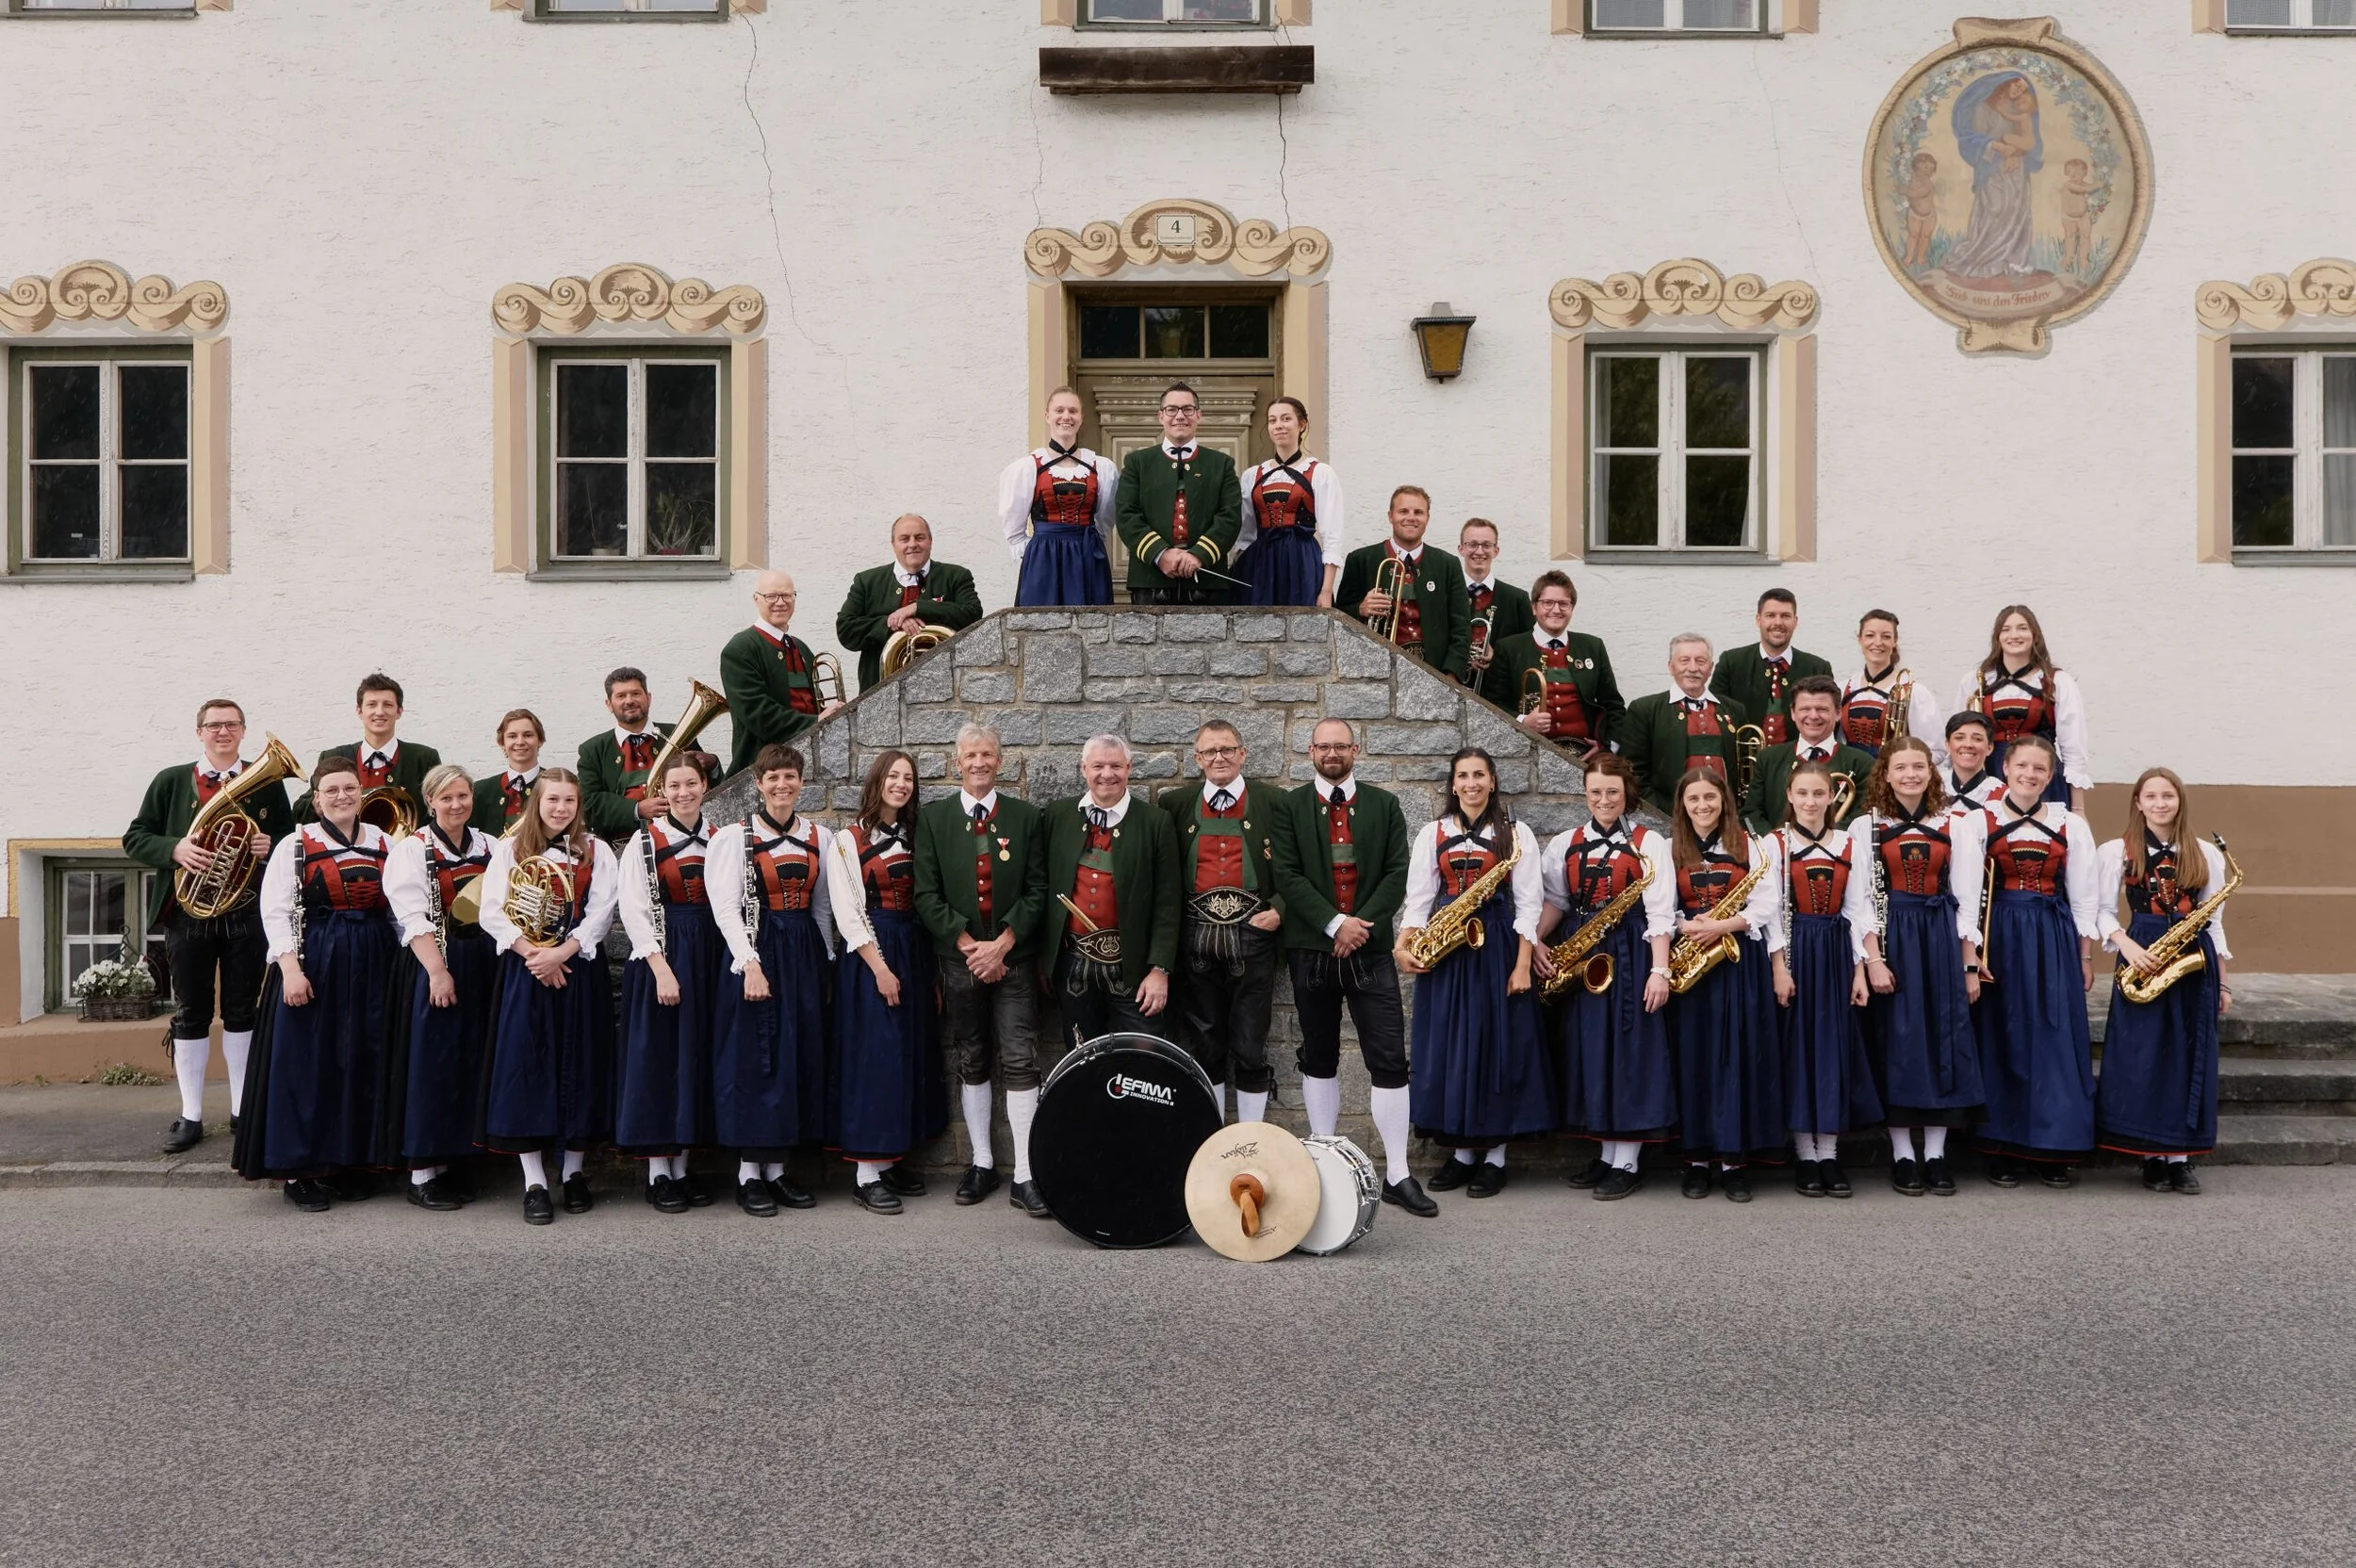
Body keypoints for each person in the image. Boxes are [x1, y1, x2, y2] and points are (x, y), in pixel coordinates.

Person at [1268, 718, 1432, 1216]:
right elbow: (1287, 874)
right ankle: (1324, 1161)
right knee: (1318, 1055)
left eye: (1341, 745)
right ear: (1311, 751)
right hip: (1311, 947)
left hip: (1371, 948)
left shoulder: (1384, 804)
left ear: (1355, 749)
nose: (1332, 753)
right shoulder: (1289, 805)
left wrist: (1359, 926)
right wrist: (1334, 923)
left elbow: (1397, 872)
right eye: (1324, 746)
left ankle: (1399, 1175)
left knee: (1388, 1059)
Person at [123, 697, 296, 1155]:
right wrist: (175, 849)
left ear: (243, 731)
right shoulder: (172, 780)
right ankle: (192, 1114)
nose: (223, 732)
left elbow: (291, 838)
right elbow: (135, 837)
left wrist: (269, 843)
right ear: (199, 731)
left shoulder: (265, 783)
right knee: (191, 1012)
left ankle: (243, 1110)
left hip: (246, 912)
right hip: (187, 914)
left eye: (232, 725)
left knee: (243, 1011)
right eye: (214, 725)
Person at [231, 757, 400, 1212]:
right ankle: (299, 1171)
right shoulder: (296, 844)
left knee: (360, 1061)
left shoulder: (385, 841)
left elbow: (398, 909)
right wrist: (290, 970)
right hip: (315, 961)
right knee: (306, 1064)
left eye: (349, 788)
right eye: (332, 790)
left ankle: (345, 1163)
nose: (342, 797)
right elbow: (276, 910)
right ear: (317, 797)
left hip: (373, 960)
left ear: (362, 792)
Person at [1397, 748, 1548, 1198]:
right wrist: (1402, 945)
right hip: (1447, 949)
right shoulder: (1433, 832)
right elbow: (1419, 900)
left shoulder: (1516, 833)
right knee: (1449, 1048)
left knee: (1496, 1046)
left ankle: (1495, 1158)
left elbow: (1530, 904)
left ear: (1493, 780)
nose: (1471, 783)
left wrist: (1523, 964)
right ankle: (1461, 1153)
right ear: (1453, 783)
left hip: (1497, 947)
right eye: (1463, 776)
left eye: (1479, 775)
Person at [1951, 735, 2101, 1189]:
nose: (2031, 775)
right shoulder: (1979, 822)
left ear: (2051, 777)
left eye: (2040, 769)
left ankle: (2053, 1146)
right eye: (2023, 766)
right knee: (2006, 1036)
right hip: (2002, 936)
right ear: (2007, 768)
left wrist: (2085, 956)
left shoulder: (2070, 824)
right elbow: (1964, 895)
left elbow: (2084, 895)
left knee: (2055, 1036)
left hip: (2052, 936)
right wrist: (1972, 956)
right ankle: (2004, 1147)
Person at [912, 723, 1051, 1214]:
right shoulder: (933, 820)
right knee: (971, 1057)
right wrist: (973, 947)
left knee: (1020, 1060)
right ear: (957, 763)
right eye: (970, 755)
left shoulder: (1025, 817)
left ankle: (1028, 1173)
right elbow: (925, 895)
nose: (979, 763)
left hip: (1014, 958)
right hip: (960, 959)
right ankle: (982, 1162)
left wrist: (1004, 943)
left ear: (1000, 760)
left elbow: (1038, 891)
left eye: (987, 755)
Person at [477, 770, 621, 1226]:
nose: (561, 809)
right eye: (553, 800)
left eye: (570, 801)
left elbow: (602, 913)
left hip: (577, 968)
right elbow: (492, 912)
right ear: (537, 802)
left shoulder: (597, 852)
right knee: (528, 1069)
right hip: (527, 971)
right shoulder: (511, 847)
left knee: (580, 1064)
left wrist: (561, 953)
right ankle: (534, 1182)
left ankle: (575, 1175)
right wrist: (536, 956)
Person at [1534, 753, 1675, 1201]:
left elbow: (1660, 912)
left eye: (1612, 792)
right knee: (1592, 1052)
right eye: (1595, 792)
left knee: (1629, 1052)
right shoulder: (1564, 843)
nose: (1603, 800)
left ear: (1627, 793)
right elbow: (1555, 900)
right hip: (1584, 957)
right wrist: (1534, 942)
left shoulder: (1651, 844)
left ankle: (1628, 1159)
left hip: (1631, 953)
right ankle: (1606, 1152)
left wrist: (1659, 970)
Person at [706, 744, 833, 1217]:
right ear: (758, 783)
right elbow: (724, 908)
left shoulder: (820, 835)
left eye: (790, 776)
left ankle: (777, 1170)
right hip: (757, 953)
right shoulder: (735, 838)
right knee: (755, 1058)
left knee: (792, 1058)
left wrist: (826, 961)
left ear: (802, 781)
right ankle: (747, 1174)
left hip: (802, 953)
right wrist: (750, 962)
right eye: (773, 777)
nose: (782, 785)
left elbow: (821, 908)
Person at [2094, 768, 2232, 1194]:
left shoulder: (2206, 853)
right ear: (2137, 802)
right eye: (2150, 796)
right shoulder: (2116, 850)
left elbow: (2214, 921)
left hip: (2193, 958)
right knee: (2144, 1055)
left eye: (2167, 796)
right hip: (2143, 953)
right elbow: (2098, 910)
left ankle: (2180, 1158)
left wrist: (2223, 983)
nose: (2159, 803)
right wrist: (2125, 945)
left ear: (2180, 800)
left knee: (2190, 1054)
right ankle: (2150, 1156)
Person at [1857, 738, 1982, 1198]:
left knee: (1942, 1039)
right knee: (1898, 1042)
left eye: (1918, 766)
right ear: (1885, 774)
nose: (1910, 774)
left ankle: (1935, 1154)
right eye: (1900, 767)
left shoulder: (1956, 824)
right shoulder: (1866, 825)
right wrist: (1872, 959)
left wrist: (1969, 965)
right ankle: (1903, 1156)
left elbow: (1969, 897)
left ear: (1931, 772)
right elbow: (1861, 900)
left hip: (1941, 937)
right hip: (1893, 940)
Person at [825, 750, 941, 1215]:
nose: (901, 784)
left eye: (908, 777)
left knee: (907, 1056)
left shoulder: (916, 836)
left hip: (912, 947)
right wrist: (880, 968)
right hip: (872, 952)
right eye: (893, 776)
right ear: (877, 782)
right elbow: (848, 913)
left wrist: (928, 973)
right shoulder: (847, 841)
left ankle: (891, 1158)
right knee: (875, 1058)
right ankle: (866, 1173)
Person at [1155, 720, 1286, 1126]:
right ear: (1197, 759)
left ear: (1243, 754)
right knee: (1204, 1043)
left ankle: (1250, 1138)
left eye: (1227, 749)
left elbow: (1297, 864)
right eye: (1210, 752)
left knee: (1250, 1044)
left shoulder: (1273, 801)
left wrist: (1281, 908)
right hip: (1195, 936)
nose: (1219, 758)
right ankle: (1212, 1135)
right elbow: (1163, 873)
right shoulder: (1175, 804)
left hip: (1255, 935)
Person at [1663, 767, 1783, 1201]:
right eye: (1693, 799)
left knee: (1737, 1059)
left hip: (1737, 961)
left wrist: (1724, 925)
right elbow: (1661, 905)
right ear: (1682, 805)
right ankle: (1696, 1161)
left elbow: (1768, 903)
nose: (1702, 806)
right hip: (1691, 958)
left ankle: (1734, 1162)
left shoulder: (1751, 845)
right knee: (1694, 1060)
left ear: (1724, 801)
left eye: (1710, 798)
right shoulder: (1667, 847)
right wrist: (1690, 926)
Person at [382, 763, 496, 1211]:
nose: (456, 804)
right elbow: (411, 916)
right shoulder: (412, 850)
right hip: (436, 963)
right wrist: (437, 971)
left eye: (463, 796)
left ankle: (457, 1160)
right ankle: (422, 1172)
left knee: (470, 1060)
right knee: (431, 1065)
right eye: (446, 798)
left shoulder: (488, 844)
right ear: (430, 802)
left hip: (482, 961)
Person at [1767, 760, 1883, 1198]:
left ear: (1831, 797)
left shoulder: (1850, 843)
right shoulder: (1775, 843)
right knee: (1798, 1050)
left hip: (1835, 953)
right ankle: (1805, 1155)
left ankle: (1829, 1155)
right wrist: (1780, 968)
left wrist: (1860, 969)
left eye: (1819, 794)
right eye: (1803, 794)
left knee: (1833, 1049)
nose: (1811, 802)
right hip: (1797, 953)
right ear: (1790, 797)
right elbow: (1772, 913)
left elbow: (1858, 909)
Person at [614, 752, 724, 1215]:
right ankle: (659, 1171)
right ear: (663, 792)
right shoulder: (643, 844)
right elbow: (633, 911)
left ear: (704, 787)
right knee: (661, 1056)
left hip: (711, 952)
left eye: (691, 784)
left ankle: (682, 1162)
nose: (683, 793)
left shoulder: (721, 838)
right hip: (664, 952)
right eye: (674, 786)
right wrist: (661, 968)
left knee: (696, 1054)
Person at [1042, 733, 1181, 1063]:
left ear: (1129, 768)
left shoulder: (1155, 822)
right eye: (1098, 766)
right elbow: (1042, 889)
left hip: (1133, 969)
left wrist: (1159, 969)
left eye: (1116, 766)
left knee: (1143, 1060)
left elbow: (1168, 903)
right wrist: (1043, 961)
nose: (1107, 774)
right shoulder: (1057, 816)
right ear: (1083, 769)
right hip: (1072, 965)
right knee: (1082, 1061)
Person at [1114, 383, 1242, 604]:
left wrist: (1198, 555)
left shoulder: (1221, 464)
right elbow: (1126, 515)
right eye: (1172, 409)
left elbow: (1230, 517)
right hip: (1150, 582)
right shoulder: (1137, 462)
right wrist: (1160, 554)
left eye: (1188, 409)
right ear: (1160, 416)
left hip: (1207, 583)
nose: (1180, 416)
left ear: (1199, 415)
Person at [1955, 604, 2091, 811]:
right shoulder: (1975, 681)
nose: (2014, 635)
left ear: (2035, 635)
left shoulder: (2057, 682)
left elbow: (2073, 747)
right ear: (1997, 637)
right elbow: (1960, 738)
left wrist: (2078, 809)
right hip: (1990, 772)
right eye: (2006, 629)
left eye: (2022, 628)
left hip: (2039, 771)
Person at [836, 513, 984, 692]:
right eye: (904, 539)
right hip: (879, 692)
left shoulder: (956, 576)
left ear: (930, 541)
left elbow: (973, 614)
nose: (912, 544)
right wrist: (891, 623)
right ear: (894, 545)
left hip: (944, 689)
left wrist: (917, 608)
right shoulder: (867, 581)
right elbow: (846, 629)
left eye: (919, 537)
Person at [1334, 485, 1471, 680]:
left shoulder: (1447, 564)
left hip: (1435, 674)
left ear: (1427, 518)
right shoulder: (1360, 559)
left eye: (1418, 512)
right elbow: (1341, 616)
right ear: (1390, 516)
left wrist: (1451, 675)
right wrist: (1361, 609)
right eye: (1403, 511)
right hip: (1377, 673)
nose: (1411, 517)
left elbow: (1461, 626)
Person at [720, 571, 845, 777]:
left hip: (811, 759)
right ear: (756, 599)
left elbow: (815, 703)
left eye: (787, 596)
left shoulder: (800, 647)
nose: (780, 602)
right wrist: (814, 722)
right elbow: (758, 713)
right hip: (763, 764)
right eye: (772, 596)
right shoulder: (740, 648)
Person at [1002, 386, 1119, 608]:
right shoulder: (1028, 468)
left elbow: (1104, 520)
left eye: (1073, 411)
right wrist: (1038, 555)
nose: (1066, 416)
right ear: (1047, 416)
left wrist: (1089, 546)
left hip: (1087, 555)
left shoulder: (1100, 468)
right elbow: (1015, 532)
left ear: (1081, 418)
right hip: (1044, 557)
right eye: (1059, 410)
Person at [1490, 569, 1624, 760]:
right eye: (1548, 603)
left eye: (1563, 603)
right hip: (1529, 754)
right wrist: (1523, 721)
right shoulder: (1509, 648)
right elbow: (1492, 703)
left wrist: (1606, 747)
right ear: (1534, 608)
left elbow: (1614, 705)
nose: (1556, 610)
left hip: (1586, 756)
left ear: (1572, 608)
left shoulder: (1593, 647)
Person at [1616, 633, 1749, 816]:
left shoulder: (1734, 709)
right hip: (1671, 818)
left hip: (1725, 817)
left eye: (1701, 661)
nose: (1693, 668)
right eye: (1684, 660)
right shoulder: (1645, 709)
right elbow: (1633, 772)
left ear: (1710, 669)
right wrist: (1660, 814)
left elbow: (1746, 771)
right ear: (1670, 667)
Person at [578, 667, 710, 842]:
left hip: (684, 836)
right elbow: (588, 805)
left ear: (648, 698)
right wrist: (636, 809)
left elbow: (708, 786)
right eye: (621, 696)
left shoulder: (678, 733)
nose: (629, 701)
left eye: (636, 693)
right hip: (622, 846)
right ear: (609, 704)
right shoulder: (592, 750)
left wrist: (713, 764)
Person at [1235, 397, 1344, 607]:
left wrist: (1327, 590)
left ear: (1301, 424)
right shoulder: (1253, 475)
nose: (1278, 426)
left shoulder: (1320, 473)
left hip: (1302, 562)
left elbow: (1332, 534)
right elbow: (1246, 534)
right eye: (1272, 420)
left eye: (1286, 419)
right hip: (1261, 563)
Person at [295, 672, 441, 821]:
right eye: (372, 705)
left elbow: (440, 809)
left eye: (388, 705)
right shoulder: (334, 757)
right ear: (359, 711)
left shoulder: (424, 758)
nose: (379, 712)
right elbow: (300, 812)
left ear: (399, 711)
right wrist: (320, 803)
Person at [1742, 675, 1873, 834]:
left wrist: (1824, 841)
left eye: (1822, 709)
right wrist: (1775, 843)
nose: (1813, 716)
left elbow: (1862, 816)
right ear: (1793, 713)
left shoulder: (1862, 763)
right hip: (1778, 855)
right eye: (1805, 709)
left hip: (1835, 855)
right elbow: (1751, 813)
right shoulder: (1768, 758)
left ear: (1838, 713)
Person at [1709, 589, 1832, 748]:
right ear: (1758, 620)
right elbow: (1715, 714)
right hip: (1744, 763)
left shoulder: (1818, 667)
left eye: (1785, 616)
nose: (1778, 622)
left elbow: (1828, 722)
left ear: (1795, 622)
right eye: (1770, 615)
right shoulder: (1731, 662)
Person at [1838, 610, 1944, 762]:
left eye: (1886, 636)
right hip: (1852, 776)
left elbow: (1934, 751)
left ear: (1895, 641)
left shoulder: (1914, 692)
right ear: (1859, 639)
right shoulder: (1843, 689)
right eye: (1870, 635)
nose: (1878, 642)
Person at [1458, 518, 1534, 704]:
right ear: (1461, 549)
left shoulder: (1517, 599)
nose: (1479, 551)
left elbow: (1530, 651)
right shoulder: (1445, 594)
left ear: (1496, 550)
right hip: (1455, 690)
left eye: (1486, 545)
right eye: (1472, 544)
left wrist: (1498, 656)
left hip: (1501, 698)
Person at [471, 709, 546, 835]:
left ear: (540, 740)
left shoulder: (557, 785)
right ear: (501, 743)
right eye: (512, 736)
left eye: (528, 735)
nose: (520, 742)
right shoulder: (481, 791)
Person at [1941, 710, 2004, 813]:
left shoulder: (2002, 795)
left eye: (1977, 739)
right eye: (1959, 738)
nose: (1968, 745)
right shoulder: (1932, 787)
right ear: (1948, 745)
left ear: (1989, 748)